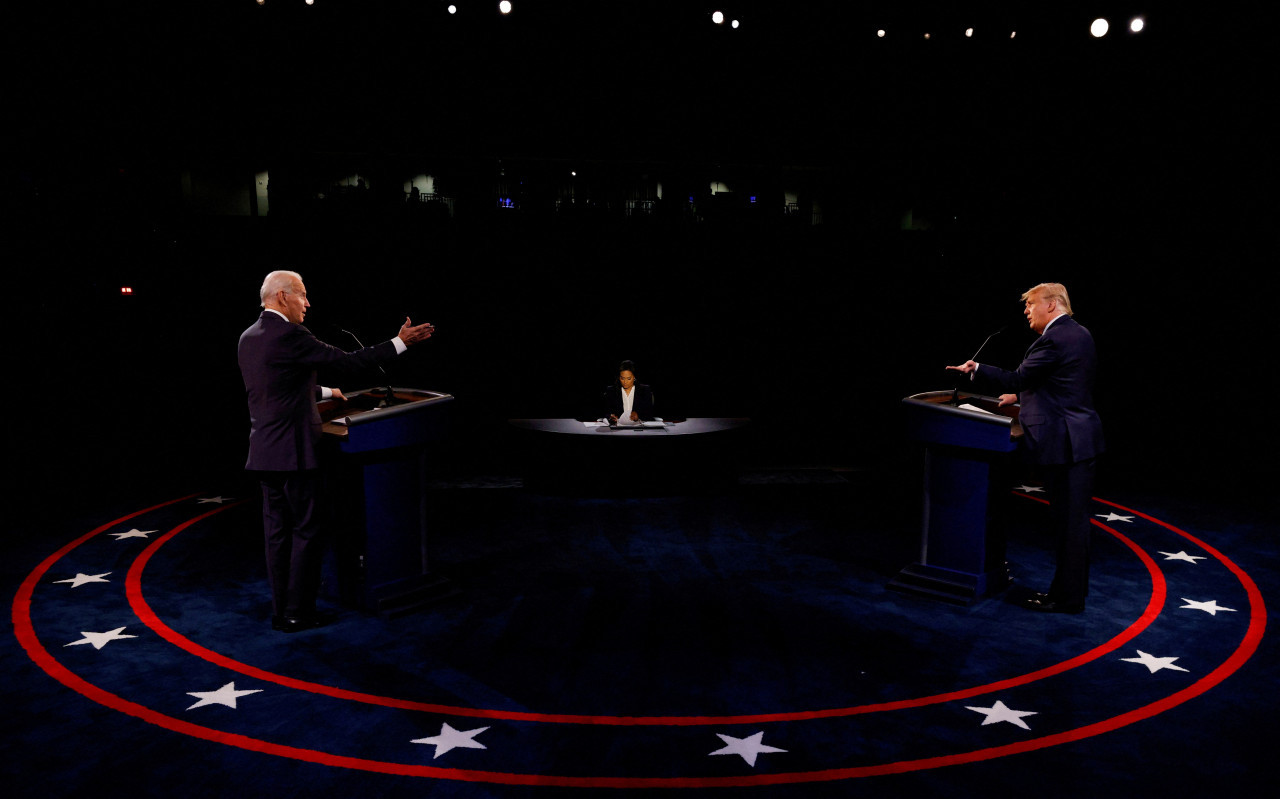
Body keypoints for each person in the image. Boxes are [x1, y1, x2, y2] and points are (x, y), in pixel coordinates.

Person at [238, 270, 435, 632]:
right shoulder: (292, 334)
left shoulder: (249, 337)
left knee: (277, 535)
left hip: (264, 454)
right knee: (307, 531)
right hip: (295, 454)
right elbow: (346, 361)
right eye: (302, 295)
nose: (307, 303)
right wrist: (400, 342)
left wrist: (328, 393)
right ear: (282, 296)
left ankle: (282, 610)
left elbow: (276, 388)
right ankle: (299, 612)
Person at [947, 282, 1104, 614]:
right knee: (1071, 525)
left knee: (1069, 526)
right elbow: (1064, 382)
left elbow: (1018, 377)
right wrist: (1021, 398)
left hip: (1066, 443)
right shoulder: (1080, 334)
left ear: (1051, 304)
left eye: (1030, 304)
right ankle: (1068, 594)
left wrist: (978, 369)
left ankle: (1066, 599)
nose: (1026, 311)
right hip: (1078, 439)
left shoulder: (1054, 338)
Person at [600, 359, 655, 423]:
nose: (625, 382)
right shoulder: (611, 391)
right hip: (618, 430)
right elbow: (605, 413)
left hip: (639, 429)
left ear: (634, 377)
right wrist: (610, 417)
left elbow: (650, 414)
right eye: (622, 378)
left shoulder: (644, 390)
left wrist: (638, 416)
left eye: (629, 378)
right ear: (619, 377)